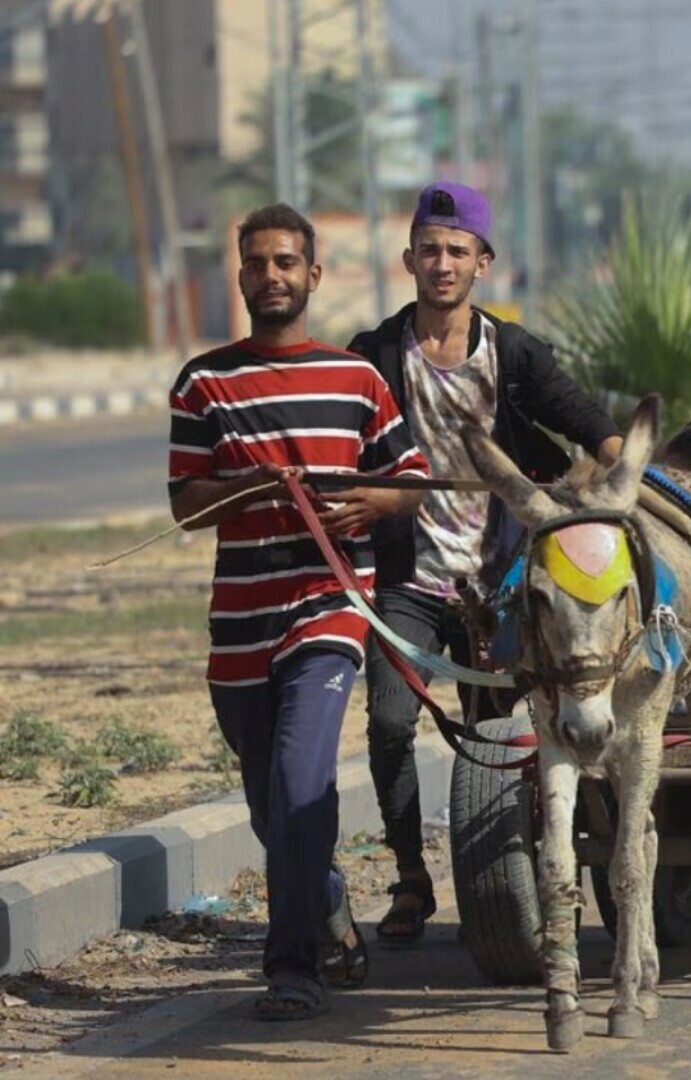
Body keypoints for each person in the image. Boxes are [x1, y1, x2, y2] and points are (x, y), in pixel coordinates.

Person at [169, 204, 429, 1019]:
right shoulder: (203, 380)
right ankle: (328, 911)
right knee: (268, 806)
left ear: (314, 276)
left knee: (300, 780)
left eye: (287, 262)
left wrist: (374, 502)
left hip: (327, 610)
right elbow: (186, 505)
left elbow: (410, 476)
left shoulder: (356, 379)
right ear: (240, 275)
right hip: (240, 621)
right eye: (257, 264)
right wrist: (254, 483)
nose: (271, 276)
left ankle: (293, 968)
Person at [345, 182, 622, 945]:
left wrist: (591, 490)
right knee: (389, 720)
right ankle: (409, 877)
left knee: (502, 740)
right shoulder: (369, 356)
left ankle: (513, 884)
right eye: (429, 249)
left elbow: (600, 436)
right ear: (408, 258)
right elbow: (336, 452)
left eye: (457, 251)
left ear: (483, 264)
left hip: (506, 583)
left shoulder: (517, 353)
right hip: (411, 578)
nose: (442, 263)